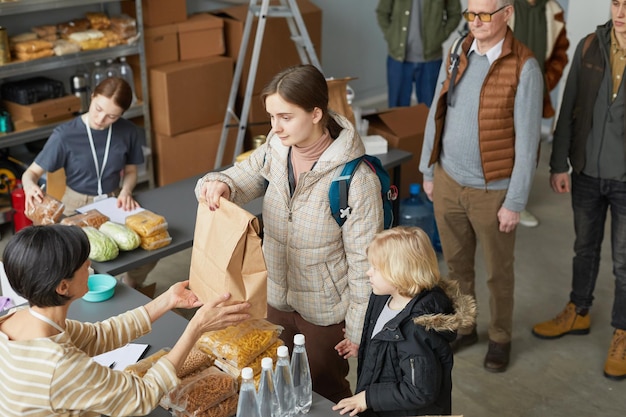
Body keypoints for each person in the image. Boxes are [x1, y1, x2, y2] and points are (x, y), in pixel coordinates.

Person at [195, 64, 383, 403]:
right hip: (275, 296)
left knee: (325, 392)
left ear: (316, 113)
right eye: (270, 117)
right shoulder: (275, 149)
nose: (276, 127)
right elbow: (243, 176)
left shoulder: (356, 180)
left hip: (325, 312)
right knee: (276, 382)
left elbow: (364, 264)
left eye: (285, 117)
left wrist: (357, 327)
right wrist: (217, 183)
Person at [0, 224, 250, 416]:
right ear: (63, 286)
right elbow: (142, 396)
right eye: (82, 263)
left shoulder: (20, 318)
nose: (89, 264)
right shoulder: (58, 366)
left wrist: (166, 301)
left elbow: (98, 336)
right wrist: (195, 327)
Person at [419, 0, 543, 372]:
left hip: (493, 193)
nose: (476, 22)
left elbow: (528, 142)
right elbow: (436, 112)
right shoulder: (458, 51)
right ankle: (466, 327)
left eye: (485, 14)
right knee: (456, 267)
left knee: (497, 272)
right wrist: (428, 170)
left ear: (507, 14)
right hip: (448, 180)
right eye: (471, 14)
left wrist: (516, 200)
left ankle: (501, 336)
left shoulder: (525, 67)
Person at [531, 0, 626, 381]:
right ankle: (578, 311)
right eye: (617, 3)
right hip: (586, 172)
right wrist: (558, 164)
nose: (621, 11)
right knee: (583, 248)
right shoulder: (589, 45)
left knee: (625, 261)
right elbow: (569, 105)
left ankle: (623, 331)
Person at [21, 77, 154, 293]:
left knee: (146, 248)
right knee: (76, 259)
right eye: (98, 108)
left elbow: (130, 171)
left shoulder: (127, 131)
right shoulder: (65, 135)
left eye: (112, 116)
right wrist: (29, 187)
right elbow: (31, 174)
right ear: (91, 97)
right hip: (76, 204)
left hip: (115, 199)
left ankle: (130, 284)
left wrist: (127, 190)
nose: (101, 119)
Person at [332, 227, 476, 417]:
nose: (368, 273)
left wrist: (368, 398)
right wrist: (370, 349)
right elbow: (391, 346)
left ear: (399, 273)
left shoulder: (418, 329)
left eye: (376, 268)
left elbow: (420, 391)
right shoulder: (382, 298)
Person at [509, 0, 570, 228]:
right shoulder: (505, 4)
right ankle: (492, 201)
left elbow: (560, 53)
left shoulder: (552, 11)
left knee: (526, 151)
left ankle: (518, 204)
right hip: (502, 91)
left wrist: (544, 83)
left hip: (535, 95)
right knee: (498, 146)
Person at [376, 0, 463, 107]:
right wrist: (391, 36)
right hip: (398, 59)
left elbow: (455, 14)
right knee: (396, 111)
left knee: (429, 110)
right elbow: (382, 12)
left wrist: (441, 35)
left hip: (431, 60)